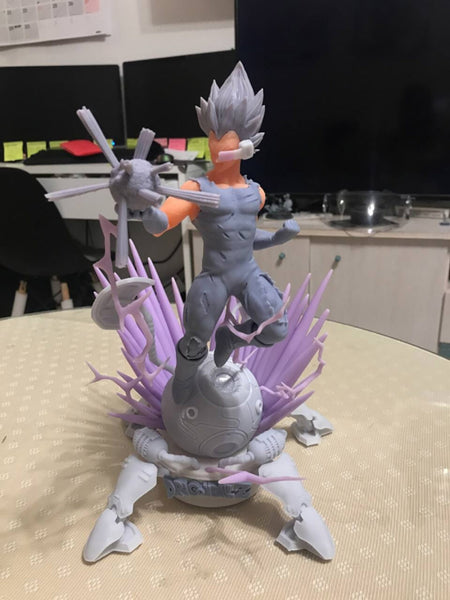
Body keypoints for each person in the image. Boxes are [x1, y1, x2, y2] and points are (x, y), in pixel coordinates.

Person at [110, 62, 299, 403]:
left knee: (275, 327)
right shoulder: (197, 189)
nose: (215, 144)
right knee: (195, 340)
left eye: (224, 136)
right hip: (214, 277)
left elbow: (244, 238)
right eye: (212, 134)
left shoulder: (255, 193)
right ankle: (182, 389)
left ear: (246, 142)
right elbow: (160, 224)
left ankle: (232, 338)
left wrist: (275, 239)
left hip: (248, 273)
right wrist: (142, 203)